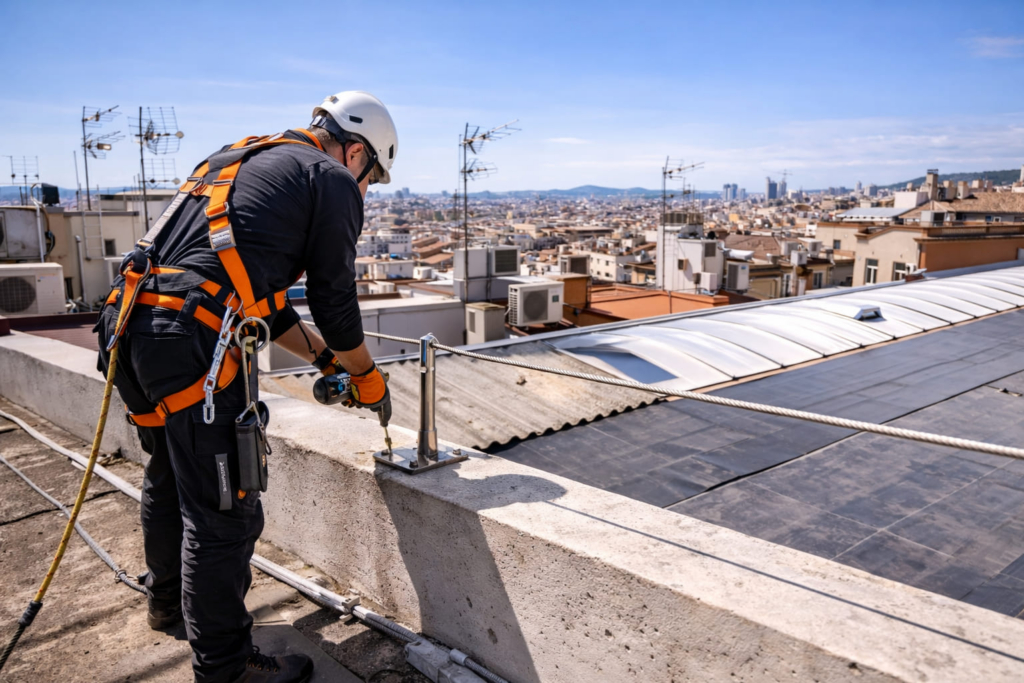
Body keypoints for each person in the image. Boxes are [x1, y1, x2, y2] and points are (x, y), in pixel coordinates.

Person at [95, 91, 397, 683]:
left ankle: (166, 605)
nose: (366, 189)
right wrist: (365, 375)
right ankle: (227, 668)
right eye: (373, 178)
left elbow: (268, 305)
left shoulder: (237, 158)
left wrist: (324, 361)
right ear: (357, 151)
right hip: (190, 338)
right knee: (225, 512)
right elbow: (337, 305)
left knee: (167, 474)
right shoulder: (330, 179)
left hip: (130, 322)